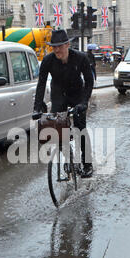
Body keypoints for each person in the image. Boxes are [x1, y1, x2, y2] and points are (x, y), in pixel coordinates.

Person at [33, 29, 94, 178]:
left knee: (80, 128)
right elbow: (41, 84)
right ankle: (68, 158)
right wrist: (37, 106)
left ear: (67, 44)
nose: (56, 50)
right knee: (59, 129)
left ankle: (87, 164)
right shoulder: (48, 60)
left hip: (76, 93)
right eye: (54, 46)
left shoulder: (81, 58)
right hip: (58, 93)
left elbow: (89, 81)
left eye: (59, 46)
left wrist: (84, 102)